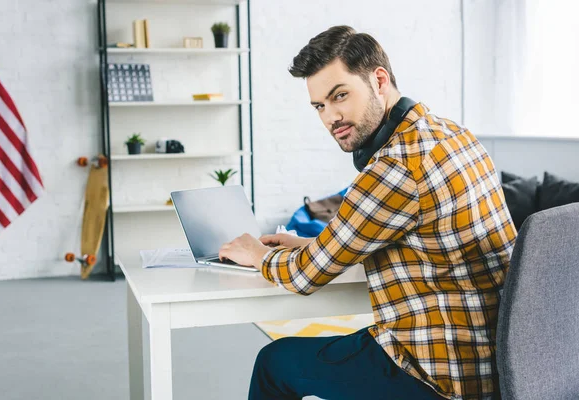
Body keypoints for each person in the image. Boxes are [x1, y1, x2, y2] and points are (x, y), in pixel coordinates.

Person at [219, 25, 516, 400]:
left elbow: (305, 275)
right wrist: (307, 242)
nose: (331, 117)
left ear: (379, 80)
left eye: (339, 95)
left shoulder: (394, 167)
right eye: (320, 106)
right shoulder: (453, 134)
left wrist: (257, 254)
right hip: (497, 362)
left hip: (437, 372)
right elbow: (405, 239)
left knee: (273, 362)